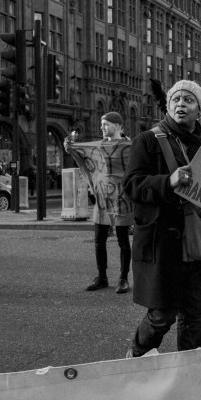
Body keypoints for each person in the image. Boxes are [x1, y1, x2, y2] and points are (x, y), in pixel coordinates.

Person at [123, 79, 201, 357]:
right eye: (176, 100)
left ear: (199, 109)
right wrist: (168, 181)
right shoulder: (148, 140)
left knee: (194, 317)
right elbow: (132, 186)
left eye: (188, 100)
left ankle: (189, 378)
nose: (181, 104)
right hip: (164, 243)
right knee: (162, 315)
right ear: (168, 106)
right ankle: (136, 358)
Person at [64, 111, 134, 294]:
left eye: (106, 124)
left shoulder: (130, 146)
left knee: (123, 240)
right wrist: (70, 147)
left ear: (117, 126)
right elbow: (84, 156)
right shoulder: (98, 146)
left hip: (121, 199)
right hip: (102, 199)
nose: (102, 128)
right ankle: (102, 277)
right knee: (99, 240)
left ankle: (123, 278)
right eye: (102, 124)